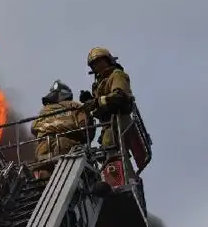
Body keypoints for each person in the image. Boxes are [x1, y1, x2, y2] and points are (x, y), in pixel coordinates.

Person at [79, 47, 134, 195]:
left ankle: (121, 180)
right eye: (94, 64)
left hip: (119, 119)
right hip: (108, 124)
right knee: (107, 149)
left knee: (111, 147)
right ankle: (112, 180)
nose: (97, 66)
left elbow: (120, 97)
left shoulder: (117, 75)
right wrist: (90, 100)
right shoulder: (100, 83)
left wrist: (96, 102)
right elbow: (100, 106)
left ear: (108, 60)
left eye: (99, 61)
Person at [30, 80, 93, 179]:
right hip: (66, 146)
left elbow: (33, 129)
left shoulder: (43, 111)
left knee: (44, 177)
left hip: (42, 149)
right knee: (69, 176)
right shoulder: (74, 106)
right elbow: (85, 126)